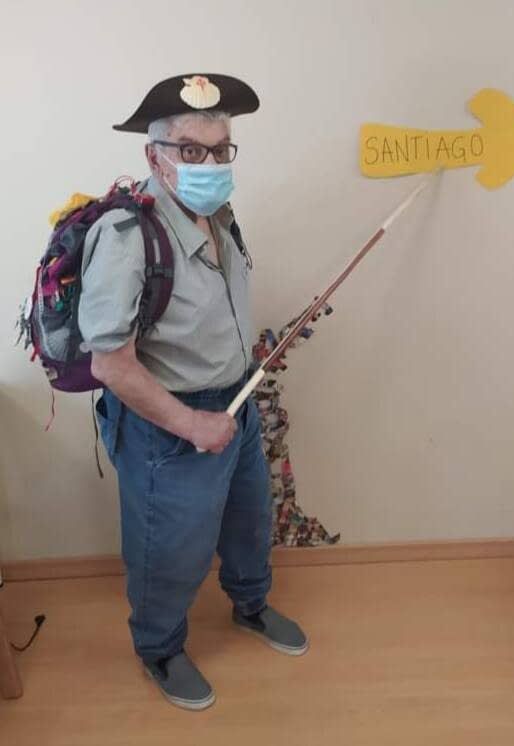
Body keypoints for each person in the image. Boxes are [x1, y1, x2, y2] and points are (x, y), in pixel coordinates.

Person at [78, 73, 308, 712]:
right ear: (155, 157)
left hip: (236, 405)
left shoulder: (219, 216)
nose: (209, 164)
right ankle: (159, 648)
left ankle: (250, 605)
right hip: (170, 425)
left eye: (220, 148)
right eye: (190, 150)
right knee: (168, 549)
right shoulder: (126, 237)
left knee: (249, 522)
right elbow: (110, 365)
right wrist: (190, 424)